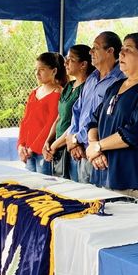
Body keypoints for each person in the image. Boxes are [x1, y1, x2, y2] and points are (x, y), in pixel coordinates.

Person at [86, 33, 138, 201]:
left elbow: (136, 132)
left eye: (128, 49)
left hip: (131, 180)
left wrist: (98, 146)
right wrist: (93, 146)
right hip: (103, 174)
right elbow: (94, 120)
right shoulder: (115, 86)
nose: (121, 54)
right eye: (121, 49)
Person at [65, 32, 125, 183]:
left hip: (101, 154)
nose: (91, 51)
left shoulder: (121, 80)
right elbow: (77, 109)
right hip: (81, 150)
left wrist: (77, 138)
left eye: (96, 48)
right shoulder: (92, 78)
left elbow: (103, 119)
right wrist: (72, 137)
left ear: (110, 51)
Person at [42, 44, 95, 180]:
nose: (65, 63)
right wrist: (48, 141)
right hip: (58, 146)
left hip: (74, 147)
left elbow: (77, 123)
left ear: (83, 64)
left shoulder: (87, 88)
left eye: (71, 59)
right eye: (66, 59)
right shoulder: (69, 86)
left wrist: (55, 145)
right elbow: (60, 117)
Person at [18, 52, 65, 174]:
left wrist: (33, 147)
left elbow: (51, 123)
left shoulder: (58, 93)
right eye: (36, 69)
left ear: (54, 71)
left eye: (42, 70)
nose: (37, 73)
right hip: (28, 150)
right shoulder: (34, 92)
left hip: (44, 151)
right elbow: (25, 120)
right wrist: (21, 145)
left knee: (43, 183)